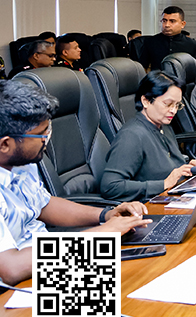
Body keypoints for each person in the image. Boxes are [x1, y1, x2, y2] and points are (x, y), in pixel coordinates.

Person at [0, 80, 150, 285]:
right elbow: (11, 269)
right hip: (16, 289)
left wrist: (105, 215)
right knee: (130, 291)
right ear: (5, 144)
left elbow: (44, 205)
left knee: (145, 272)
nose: (47, 140)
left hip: (49, 262)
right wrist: (101, 233)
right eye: (41, 135)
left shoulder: (20, 162)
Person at [101, 72, 196, 202]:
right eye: (168, 104)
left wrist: (188, 168)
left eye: (177, 105)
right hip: (151, 205)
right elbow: (110, 187)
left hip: (174, 197)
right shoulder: (131, 136)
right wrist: (163, 184)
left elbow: (165, 168)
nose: (174, 110)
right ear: (146, 101)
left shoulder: (164, 126)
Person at [139, 6, 196, 71]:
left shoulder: (193, 45)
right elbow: (143, 68)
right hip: (157, 77)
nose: (167, 25)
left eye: (172, 21)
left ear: (182, 24)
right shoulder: (150, 42)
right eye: (164, 21)